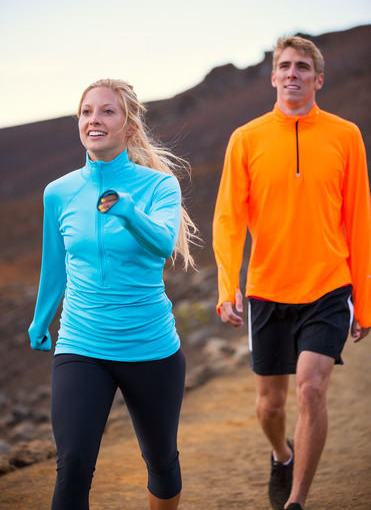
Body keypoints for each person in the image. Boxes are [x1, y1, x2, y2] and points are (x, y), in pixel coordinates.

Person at [212, 36, 371, 510]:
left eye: (303, 66)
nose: (293, 73)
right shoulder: (246, 138)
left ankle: (296, 501)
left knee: (311, 388)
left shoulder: (346, 136)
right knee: (271, 404)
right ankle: (281, 454)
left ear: (318, 79)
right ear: (274, 76)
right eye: (285, 65)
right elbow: (227, 219)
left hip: (328, 285)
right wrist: (227, 286)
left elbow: (359, 220)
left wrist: (363, 300)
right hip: (268, 290)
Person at [28, 78, 198, 510]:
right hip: (82, 344)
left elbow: (162, 243)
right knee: (73, 466)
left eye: (107, 111)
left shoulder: (159, 187)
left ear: (129, 125)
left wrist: (126, 208)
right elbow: (55, 265)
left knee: (161, 461)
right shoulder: (59, 192)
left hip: (150, 346)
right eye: (87, 112)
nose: (94, 120)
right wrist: (41, 317)